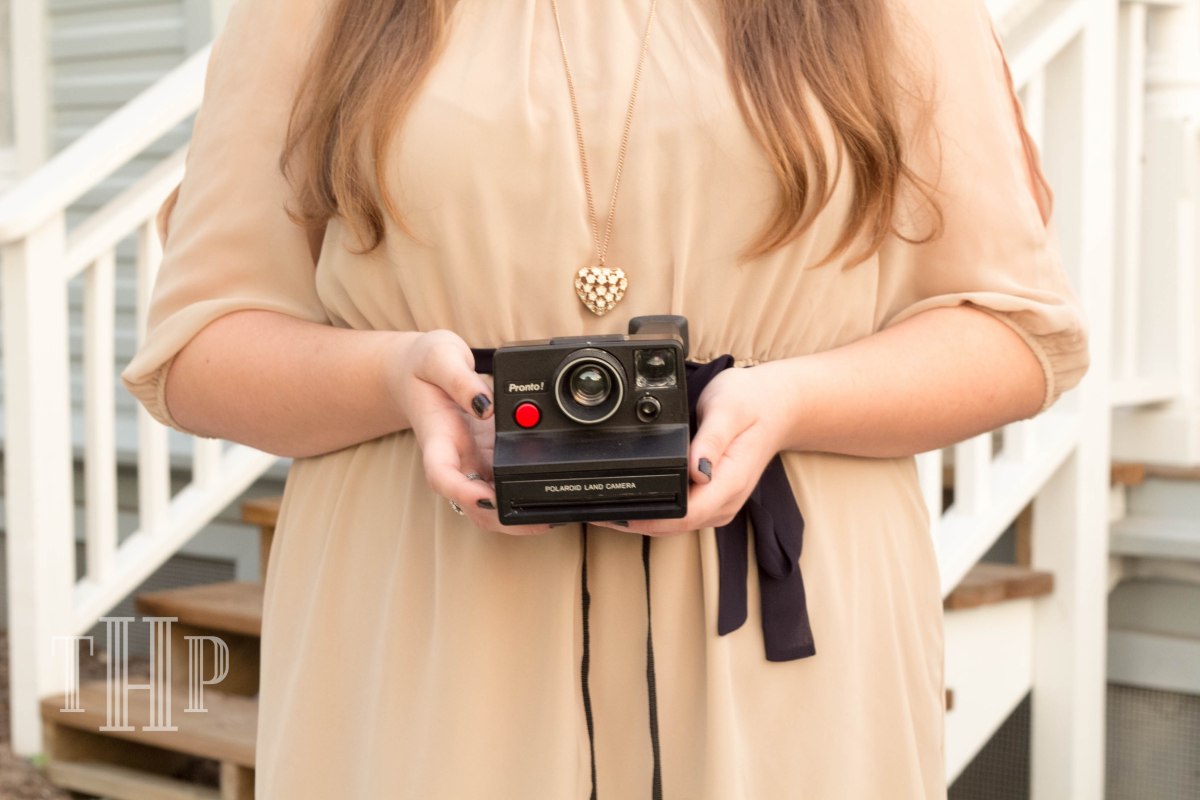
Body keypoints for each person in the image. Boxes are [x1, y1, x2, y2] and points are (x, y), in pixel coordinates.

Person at [121, 0, 1090, 796]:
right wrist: (392, 375)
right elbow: (201, 344)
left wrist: (792, 398)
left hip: (786, 668)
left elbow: (1014, 331)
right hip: (426, 651)